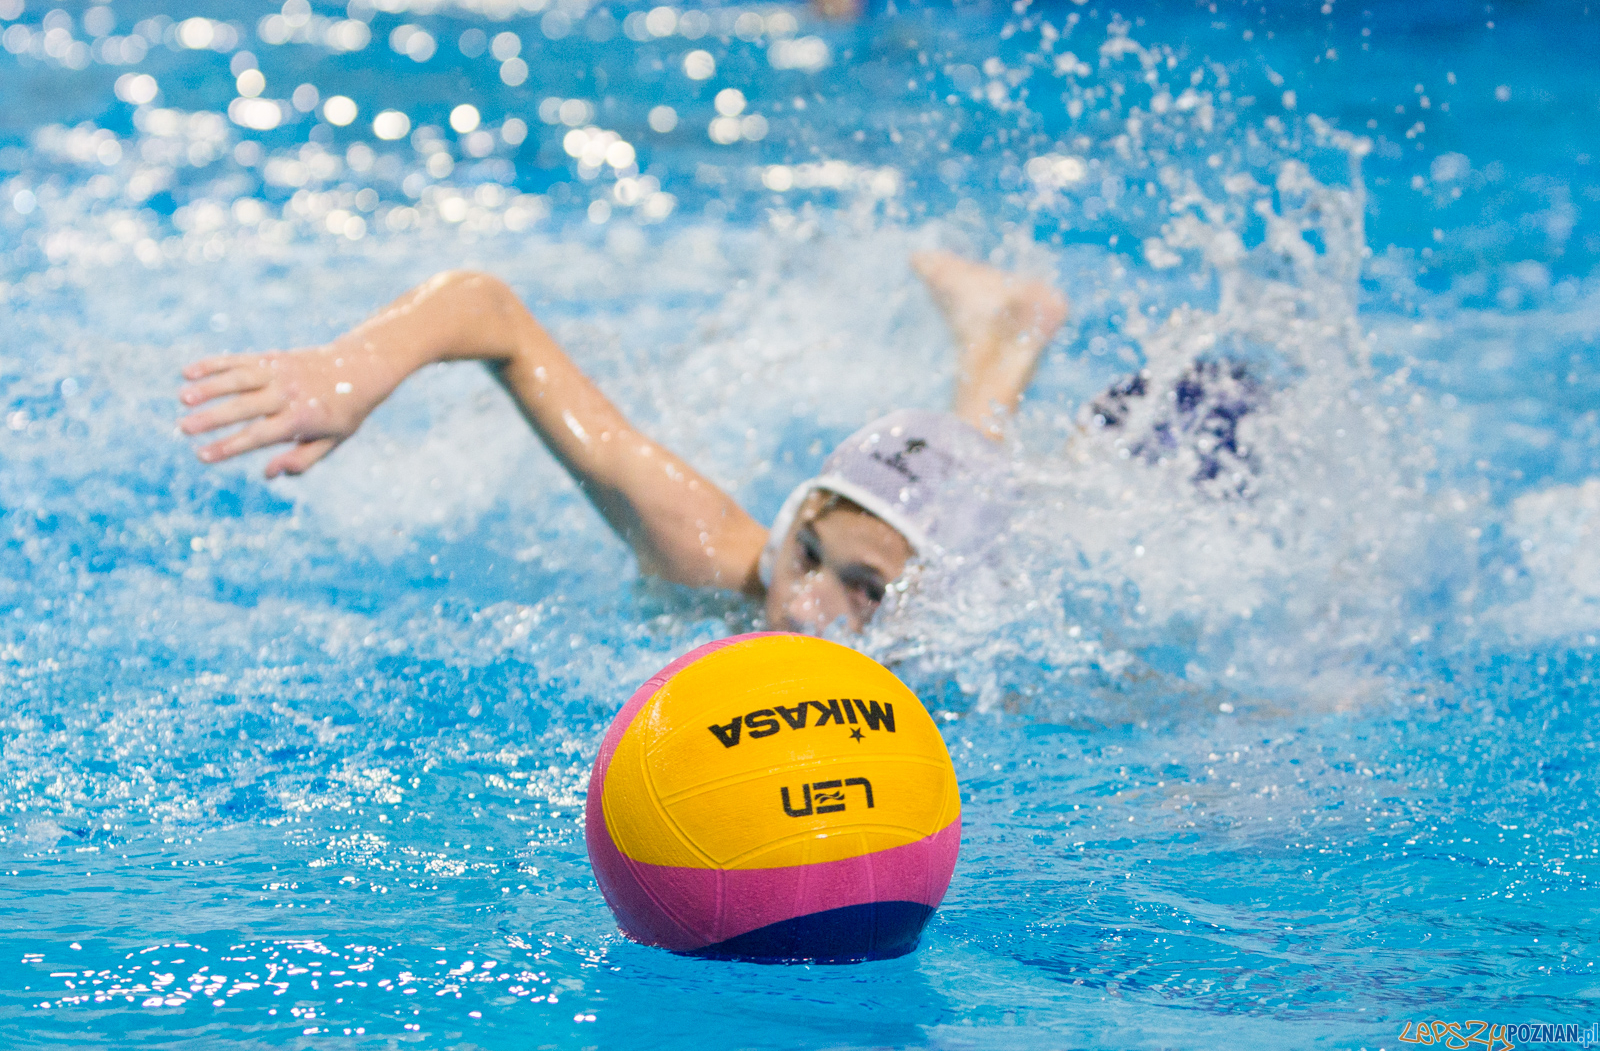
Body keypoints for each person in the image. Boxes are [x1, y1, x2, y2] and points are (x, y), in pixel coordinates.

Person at [177, 252, 1069, 635]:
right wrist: (351, 369)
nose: (802, 607)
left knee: (983, 481)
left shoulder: (969, 654)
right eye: (807, 553)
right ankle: (1010, 330)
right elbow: (490, 311)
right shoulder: (715, 555)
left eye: (866, 592)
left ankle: (1010, 333)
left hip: (974, 568)